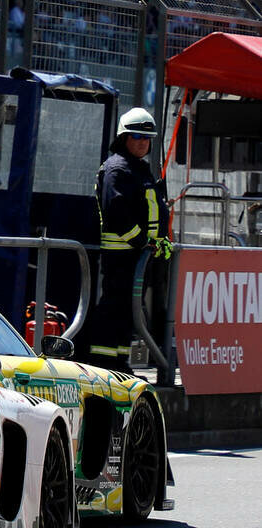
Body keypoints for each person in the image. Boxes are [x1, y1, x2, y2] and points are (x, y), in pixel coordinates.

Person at [88, 107, 170, 373]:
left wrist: (161, 241)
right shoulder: (117, 170)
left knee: (128, 315)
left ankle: (120, 364)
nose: (142, 141)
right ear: (124, 138)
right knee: (115, 310)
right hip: (122, 257)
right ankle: (104, 364)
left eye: (147, 137)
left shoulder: (140, 170)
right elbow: (117, 214)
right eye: (136, 136)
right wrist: (143, 242)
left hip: (141, 257)